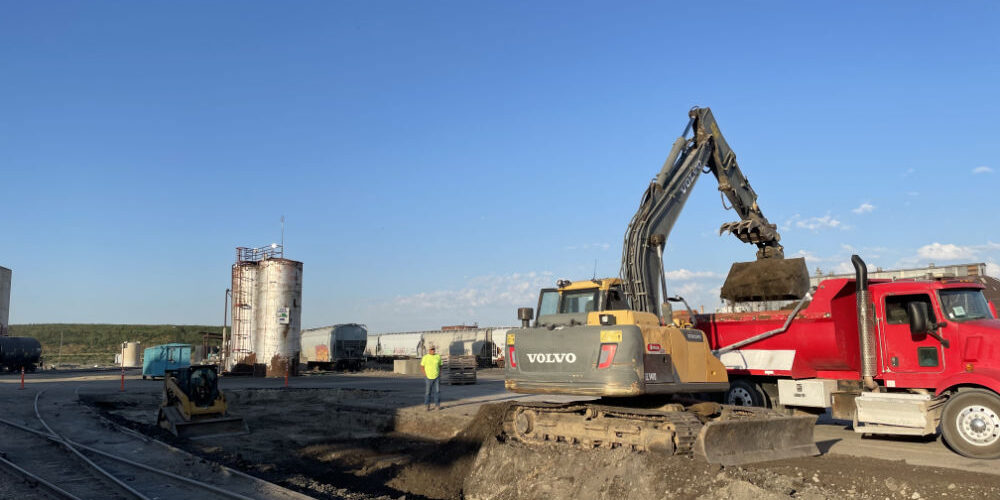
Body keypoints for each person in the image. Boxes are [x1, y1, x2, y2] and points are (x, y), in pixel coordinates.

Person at [420, 345, 443, 411]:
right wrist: (425, 375)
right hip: (428, 377)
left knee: (437, 392)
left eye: (433, 349)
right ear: (429, 350)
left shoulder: (438, 356)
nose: (433, 350)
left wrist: (440, 373)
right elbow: (422, 366)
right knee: (428, 392)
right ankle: (427, 406)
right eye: (431, 349)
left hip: (436, 377)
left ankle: (437, 405)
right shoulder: (425, 357)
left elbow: (440, 365)